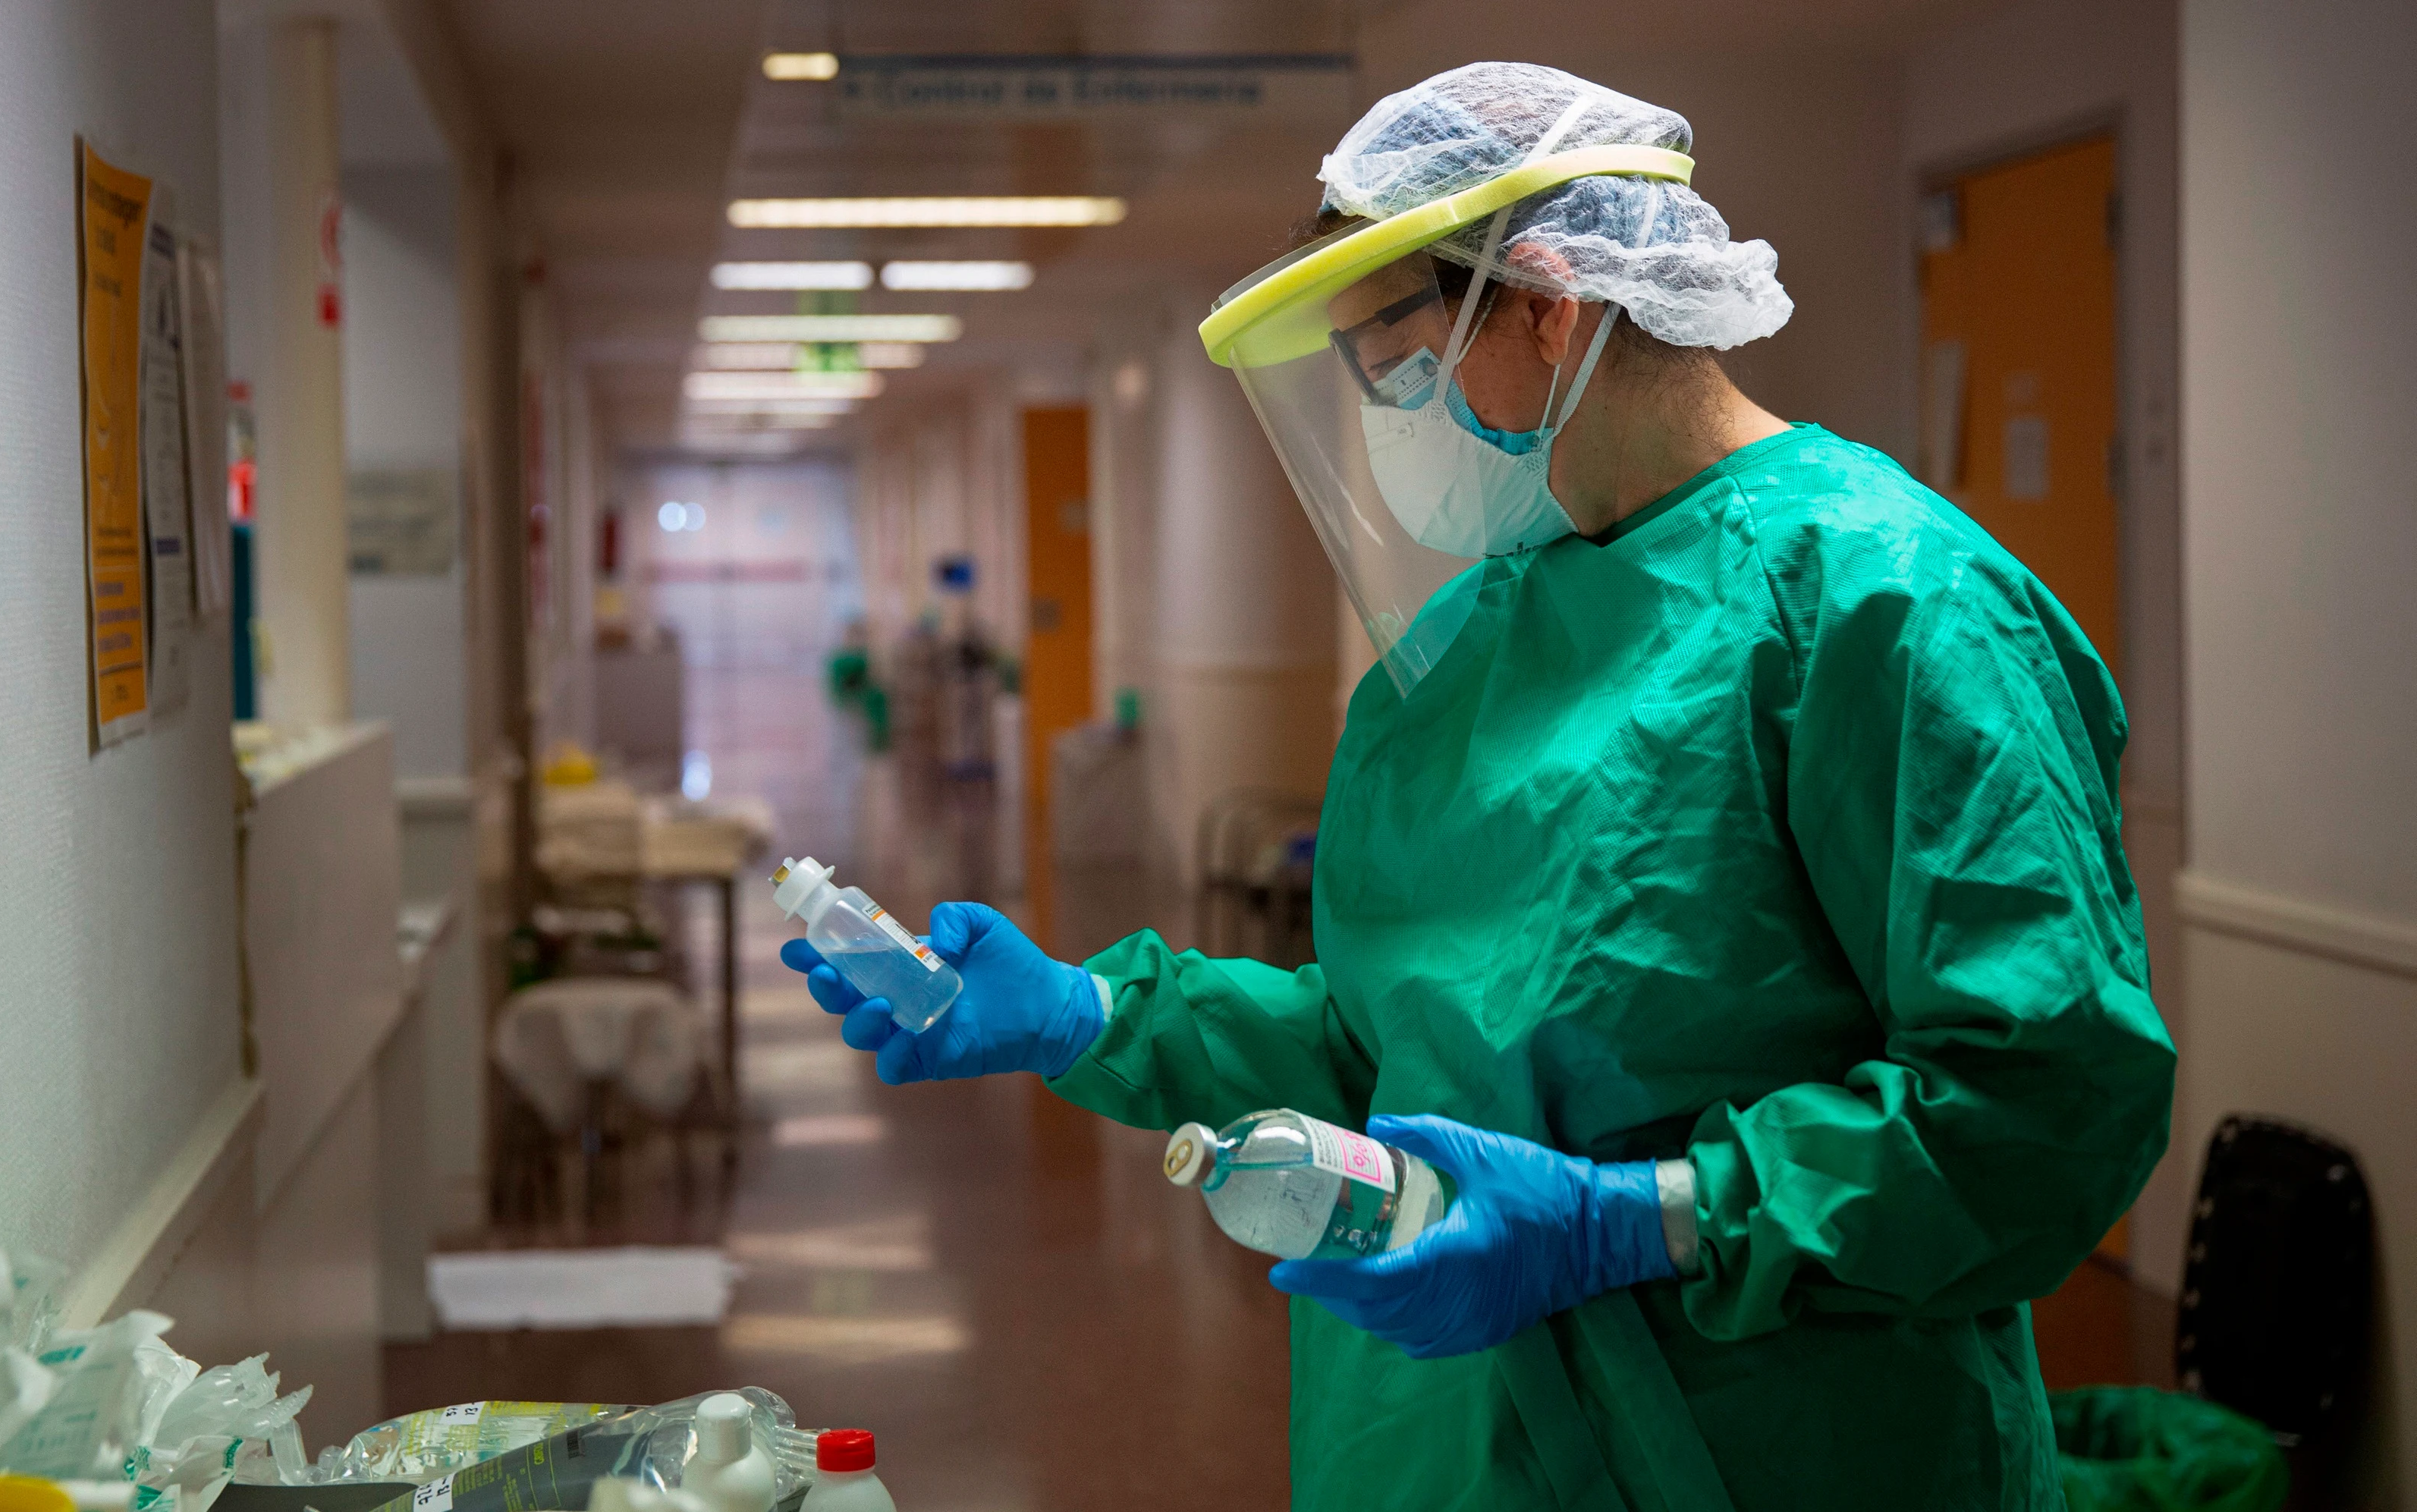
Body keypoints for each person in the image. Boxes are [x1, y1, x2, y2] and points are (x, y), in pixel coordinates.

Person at [784, 61, 2173, 1511]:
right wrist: (1094, 1014)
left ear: (1545, 299)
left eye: (1386, 353)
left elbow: (2039, 1101)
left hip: (1781, 1444)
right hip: (1451, 1446)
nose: (1382, 411)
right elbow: (1408, 1038)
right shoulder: (1487, 629)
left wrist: (1641, 1221)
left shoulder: (1887, 600)